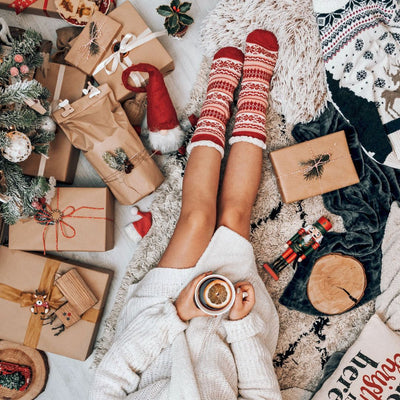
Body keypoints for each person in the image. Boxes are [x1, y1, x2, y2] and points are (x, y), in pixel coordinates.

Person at [90, 29, 282, 400]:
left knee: (195, 221)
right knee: (235, 217)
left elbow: (109, 378)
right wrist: (242, 328)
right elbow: (262, 394)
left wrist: (177, 312)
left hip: (159, 325)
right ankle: (255, 89)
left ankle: (218, 97)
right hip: (228, 335)